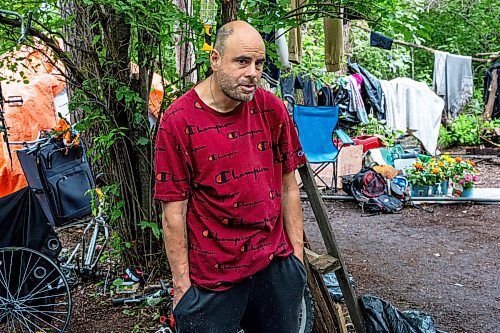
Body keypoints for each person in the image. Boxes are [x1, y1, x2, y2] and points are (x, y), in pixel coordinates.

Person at [154, 20, 307, 333]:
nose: (252, 72)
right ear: (215, 60)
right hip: (213, 278)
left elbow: (289, 187)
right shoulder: (178, 121)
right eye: (242, 62)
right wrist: (182, 286)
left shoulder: (271, 109)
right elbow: (173, 212)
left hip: (273, 266)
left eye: (259, 63)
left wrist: (297, 261)